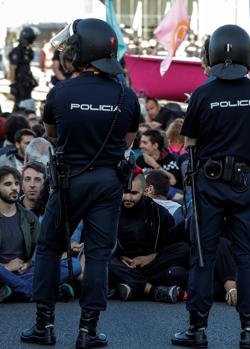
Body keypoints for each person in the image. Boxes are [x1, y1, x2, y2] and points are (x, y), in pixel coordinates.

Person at [22, 18, 140, 348]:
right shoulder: (127, 96)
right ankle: (88, 331)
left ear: (81, 52)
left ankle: (43, 325)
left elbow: (52, 136)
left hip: (70, 179)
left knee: (48, 249)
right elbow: (127, 142)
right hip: (108, 182)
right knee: (99, 255)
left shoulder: (60, 93)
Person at [172, 24, 250, 349]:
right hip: (247, 183)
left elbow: (188, 142)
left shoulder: (203, 93)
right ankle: (249, 330)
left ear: (213, 53)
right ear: (246, 53)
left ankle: (197, 329)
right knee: (246, 258)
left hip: (209, 184)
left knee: (204, 256)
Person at [0, 166, 79, 303]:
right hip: (3, 272)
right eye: (8, 184)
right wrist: (6, 267)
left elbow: (40, 250)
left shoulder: (29, 217)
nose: (14, 188)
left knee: (74, 265)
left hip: (26, 272)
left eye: (16, 184)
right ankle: (30, 290)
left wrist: (28, 263)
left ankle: (17, 289)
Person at [109, 173, 189, 304]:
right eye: (125, 192)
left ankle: (132, 284)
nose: (128, 198)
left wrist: (151, 257)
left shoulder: (159, 213)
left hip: (151, 263)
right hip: (123, 264)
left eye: (134, 193)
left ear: (145, 191)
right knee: (105, 259)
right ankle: (152, 290)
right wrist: (119, 256)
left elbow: (170, 243)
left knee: (183, 249)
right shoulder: (112, 212)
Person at [9, 27, 39, 109]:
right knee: (21, 105)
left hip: (26, 82)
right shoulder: (17, 51)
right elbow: (12, 68)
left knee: (25, 104)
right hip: (19, 83)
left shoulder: (28, 51)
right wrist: (13, 84)